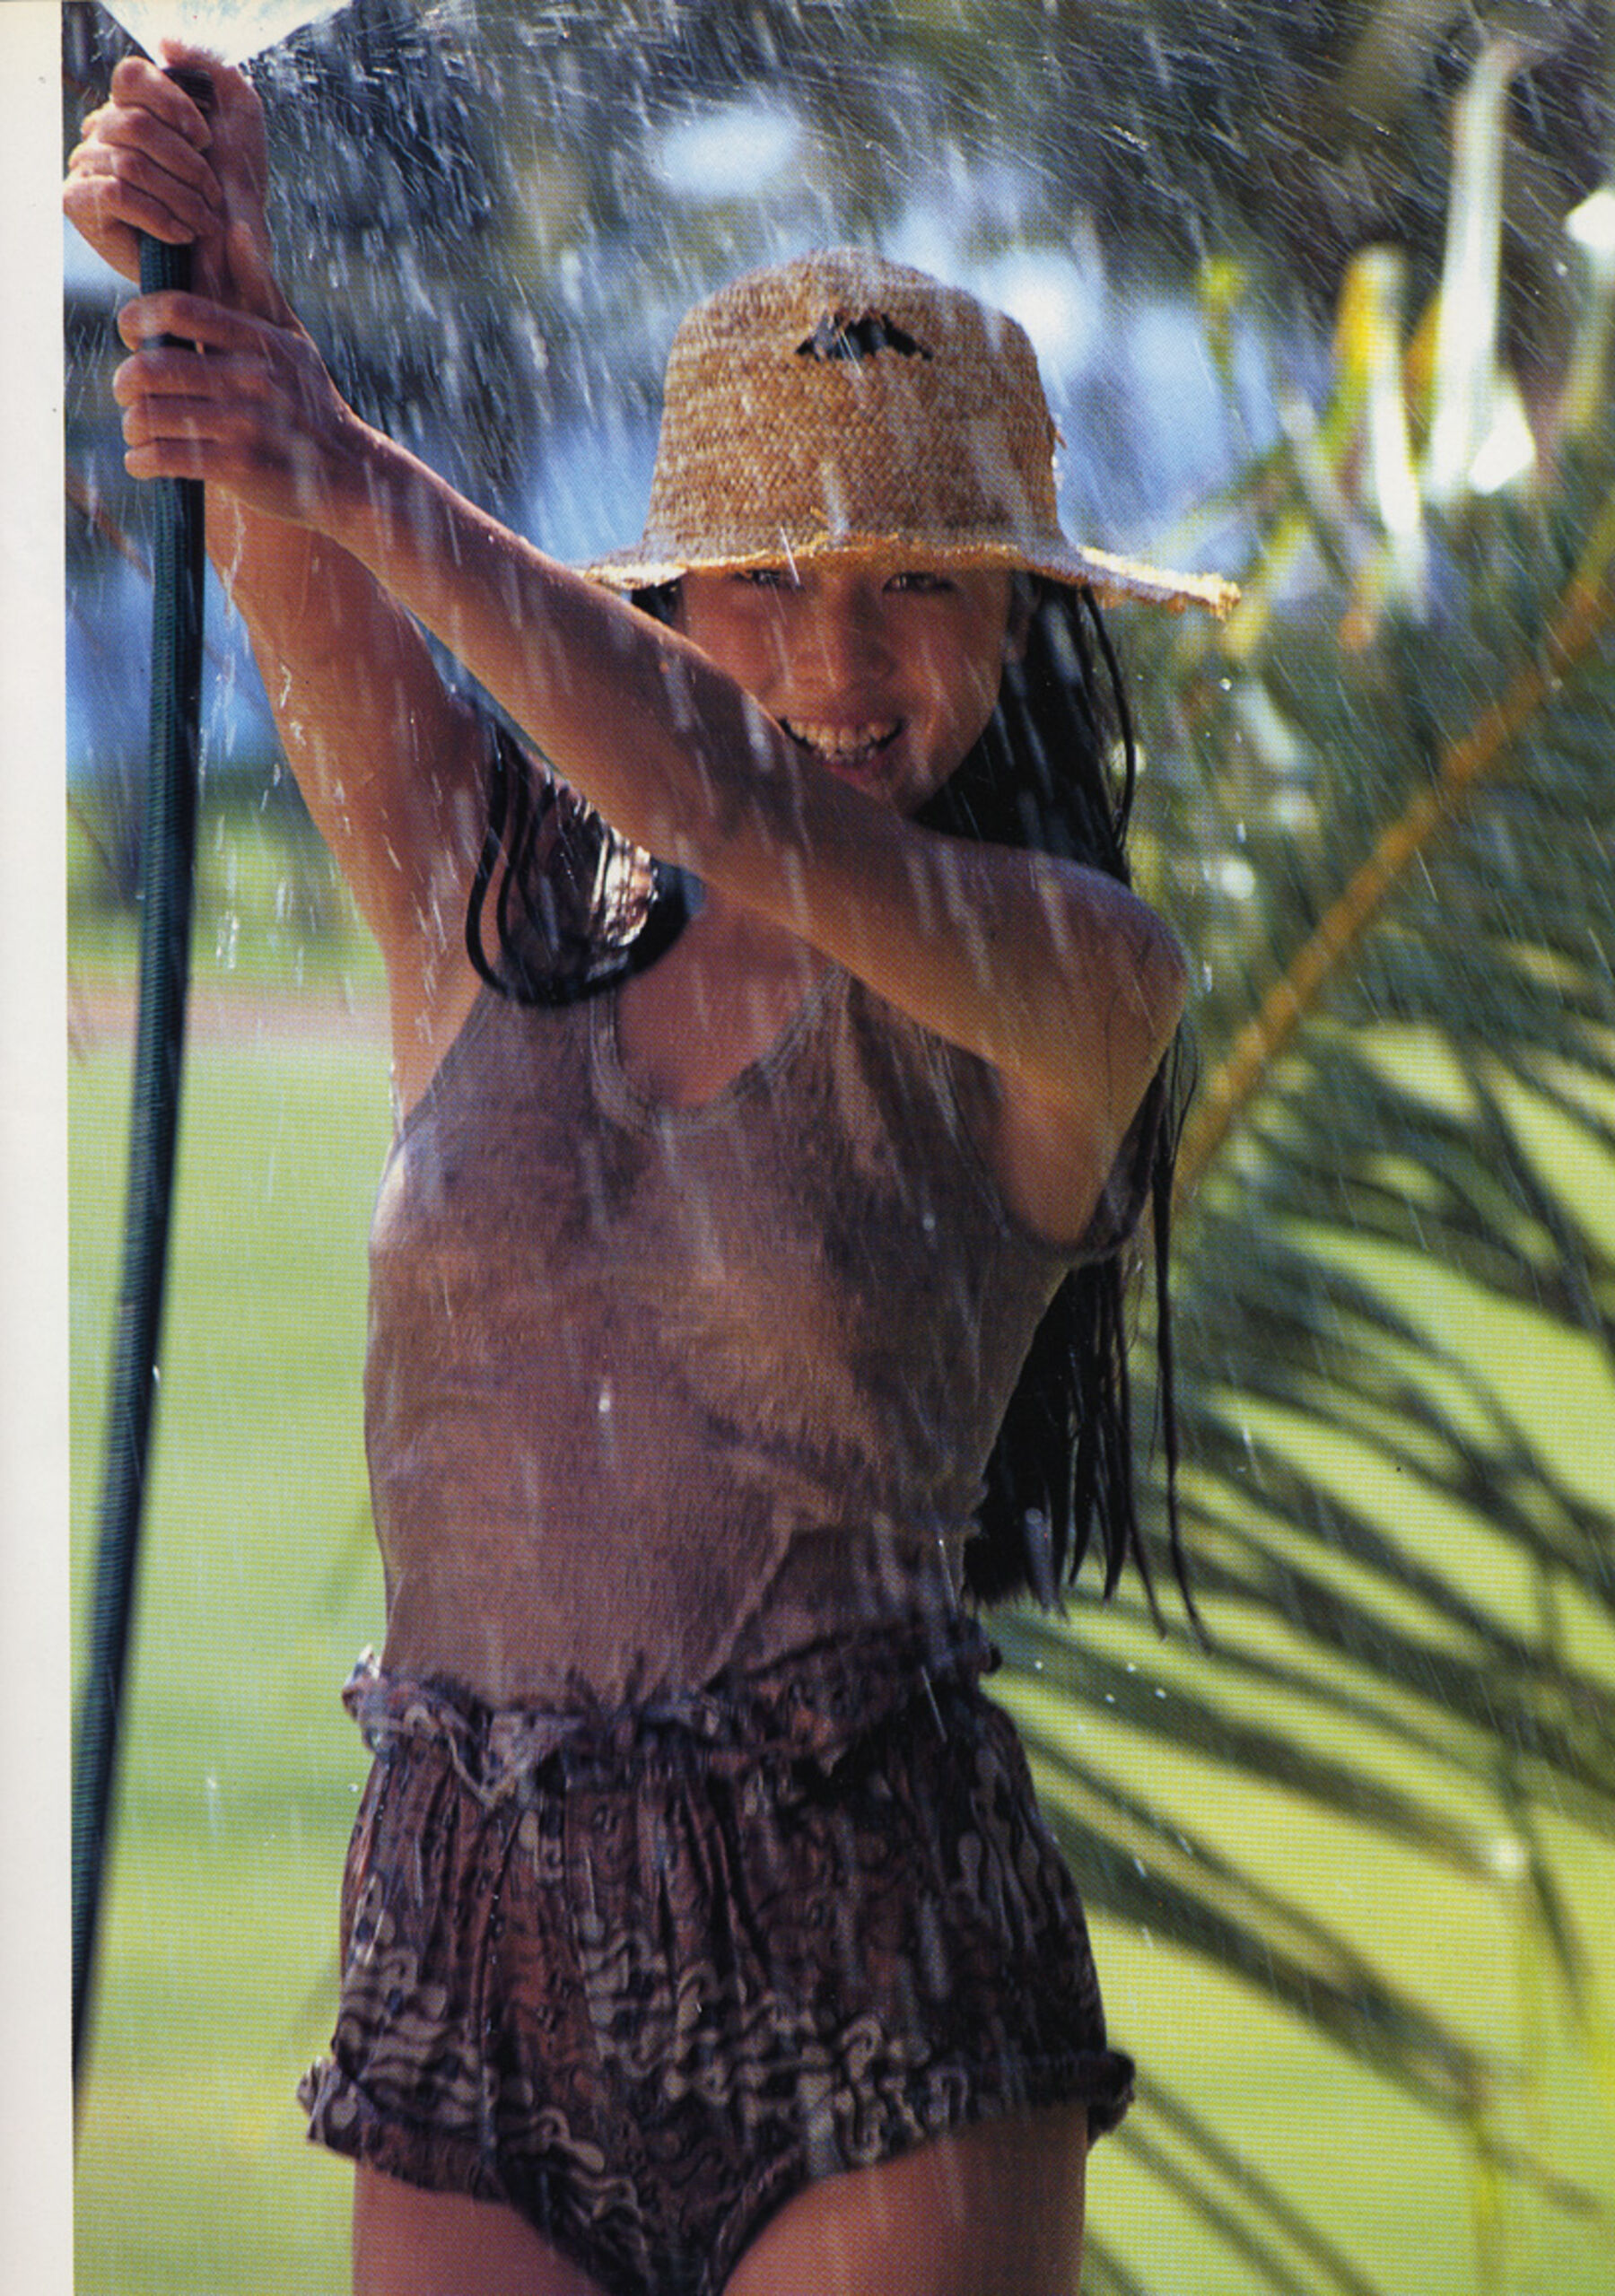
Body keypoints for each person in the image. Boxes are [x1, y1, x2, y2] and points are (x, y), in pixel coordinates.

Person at [66, 41, 1233, 2296]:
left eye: (920, 583)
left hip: (872, 1956)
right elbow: (286, 563)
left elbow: (738, 809)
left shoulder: (1072, 973)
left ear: (1019, 622)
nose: (840, 655)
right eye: (769, 579)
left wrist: (353, 460)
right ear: (679, 601)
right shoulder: (490, 909)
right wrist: (220, 278)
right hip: (467, 1933)